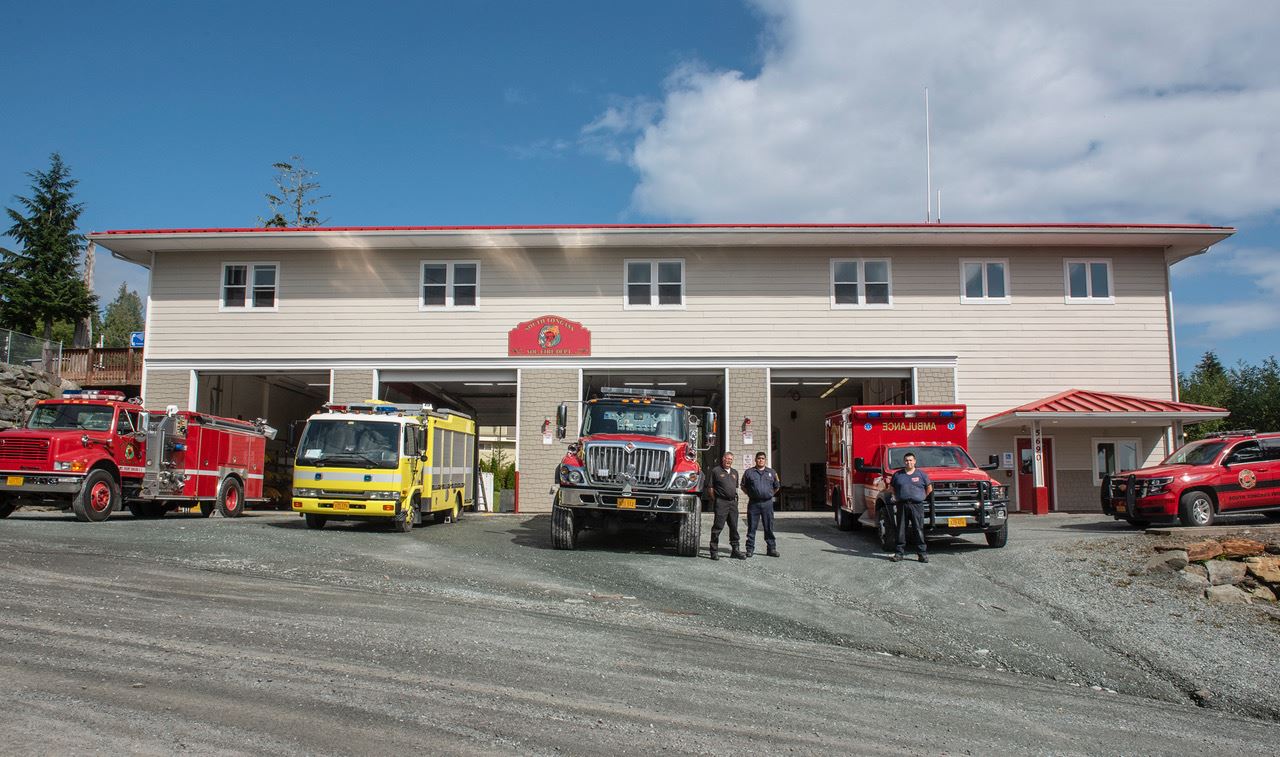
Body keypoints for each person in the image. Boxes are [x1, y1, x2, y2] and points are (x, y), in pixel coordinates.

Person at [889, 452, 932, 563]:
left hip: (917, 506)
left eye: (910, 460)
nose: (909, 462)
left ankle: (922, 554)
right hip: (902, 505)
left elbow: (929, 488)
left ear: (915, 461)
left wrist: (922, 497)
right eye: (906, 460)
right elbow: (891, 488)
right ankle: (899, 554)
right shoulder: (898, 475)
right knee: (901, 530)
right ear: (904, 462)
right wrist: (895, 496)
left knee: (918, 529)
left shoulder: (921, 475)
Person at [705, 452, 746, 560]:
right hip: (721, 502)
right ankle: (714, 551)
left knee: (734, 527)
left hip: (732, 503)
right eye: (727, 458)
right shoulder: (716, 471)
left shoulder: (735, 472)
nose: (729, 461)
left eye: (731, 459)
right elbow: (710, 488)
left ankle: (735, 550)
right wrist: (716, 500)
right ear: (723, 459)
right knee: (718, 527)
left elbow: (735, 488)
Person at [741, 451, 781, 557]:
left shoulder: (772, 472)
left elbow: (777, 486)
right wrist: (750, 493)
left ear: (765, 460)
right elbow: (743, 486)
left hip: (767, 503)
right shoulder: (749, 472)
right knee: (752, 527)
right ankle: (749, 549)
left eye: (763, 458)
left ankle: (771, 549)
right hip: (754, 503)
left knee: (768, 527)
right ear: (755, 460)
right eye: (759, 458)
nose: (761, 460)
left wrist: (769, 494)